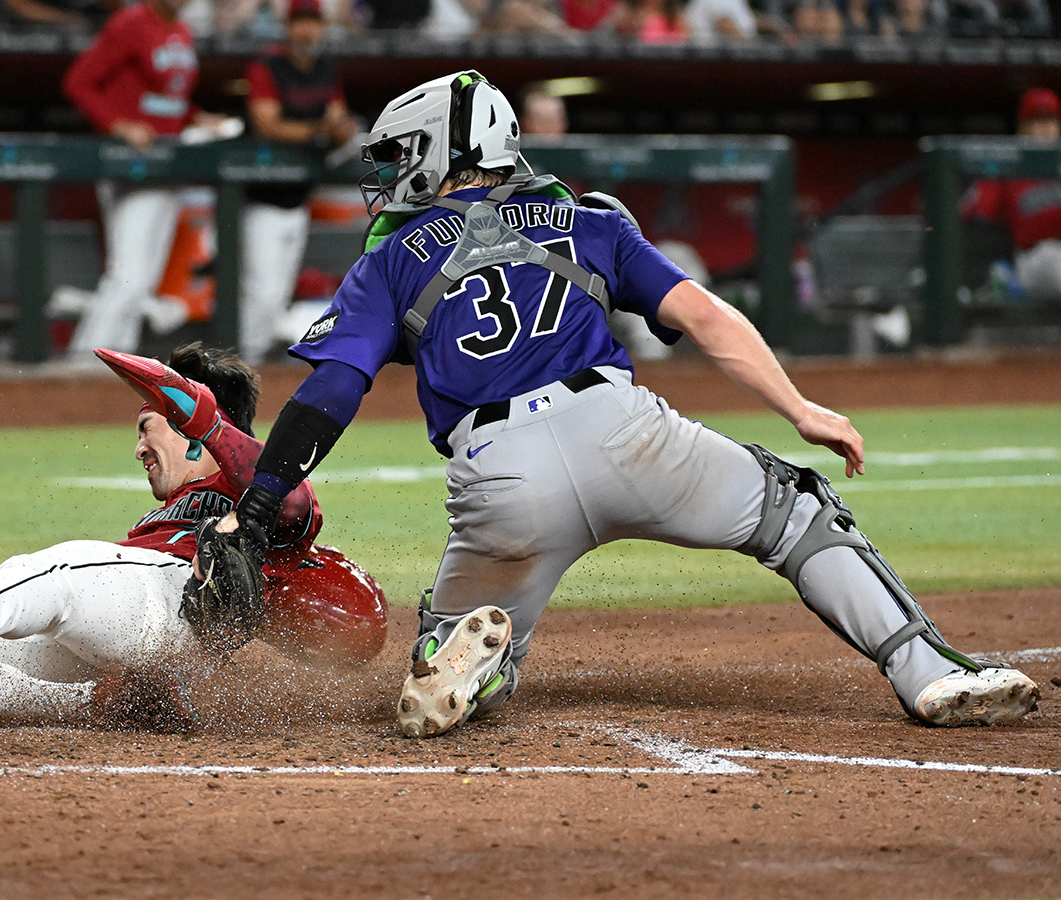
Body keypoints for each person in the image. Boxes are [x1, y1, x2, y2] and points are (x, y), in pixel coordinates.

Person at [205, 70, 1041, 739]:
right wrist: (800, 409)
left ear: (444, 150)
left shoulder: (388, 261)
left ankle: (467, 659)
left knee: (462, 640)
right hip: (626, 436)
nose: (387, 175)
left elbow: (331, 392)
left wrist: (261, 502)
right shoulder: (587, 219)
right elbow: (706, 318)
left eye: (399, 156)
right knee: (797, 515)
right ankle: (929, 673)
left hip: (498, 479)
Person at [0, 344, 386, 730]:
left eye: (148, 427)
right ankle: (105, 703)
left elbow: (295, 501)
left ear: (188, 427)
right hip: (126, 640)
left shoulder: (256, 493)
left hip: (173, 610)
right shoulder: (156, 521)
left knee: (64, 567)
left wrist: (209, 423)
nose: (139, 448)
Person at [61, 0, 235, 363]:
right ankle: (81, 365)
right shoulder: (131, 23)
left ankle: (116, 366)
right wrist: (118, 124)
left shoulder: (181, 29)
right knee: (128, 277)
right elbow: (78, 81)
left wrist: (197, 118)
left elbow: (169, 99)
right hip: (132, 167)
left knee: (142, 282)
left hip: (169, 164)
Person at [239, 0, 357, 366]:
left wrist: (342, 129)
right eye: (300, 22)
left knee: (276, 294)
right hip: (260, 196)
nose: (307, 30)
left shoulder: (326, 66)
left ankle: (256, 363)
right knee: (262, 292)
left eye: (313, 22)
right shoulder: (268, 65)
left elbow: (337, 117)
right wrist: (320, 129)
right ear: (288, 27)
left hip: (298, 199)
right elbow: (267, 124)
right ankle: (240, 362)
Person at [961, 87, 1061, 303]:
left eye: (1050, 120)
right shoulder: (1008, 166)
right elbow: (972, 211)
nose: (1044, 128)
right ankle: (1004, 281)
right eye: (1036, 121)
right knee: (1050, 258)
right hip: (1034, 258)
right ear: (1022, 128)